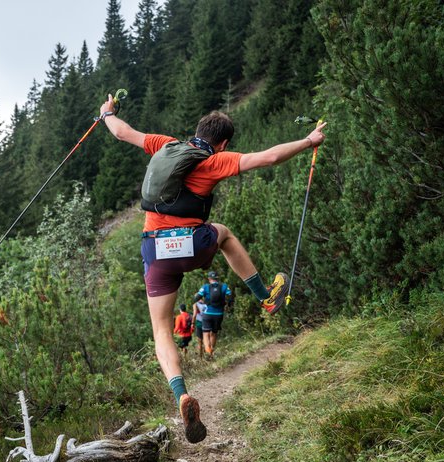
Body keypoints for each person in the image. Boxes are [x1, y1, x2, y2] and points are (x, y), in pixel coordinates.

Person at [99, 94, 326, 443]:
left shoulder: (166, 145)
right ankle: (266, 297)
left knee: (161, 328)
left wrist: (107, 113)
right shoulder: (214, 160)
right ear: (222, 142)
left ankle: (181, 394)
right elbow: (269, 157)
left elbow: (123, 132)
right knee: (224, 233)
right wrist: (309, 140)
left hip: (155, 249)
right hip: (191, 243)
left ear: (197, 131)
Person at [196, 271, 232, 357]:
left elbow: (197, 297)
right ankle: (211, 352)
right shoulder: (224, 286)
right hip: (219, 314)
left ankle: (208, 352)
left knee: (205, 333)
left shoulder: (205, 287)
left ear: (209, 279)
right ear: (217, 278)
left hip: (207, 313)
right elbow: (230, 296)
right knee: (214, 333)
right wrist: (228, 305)